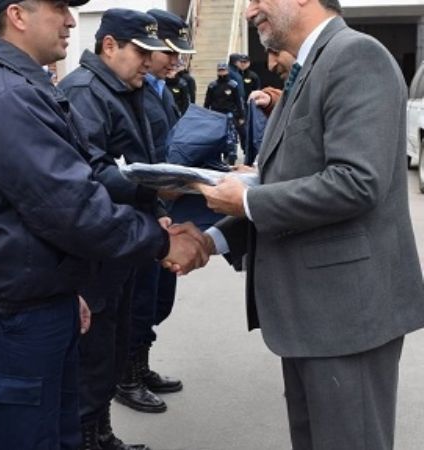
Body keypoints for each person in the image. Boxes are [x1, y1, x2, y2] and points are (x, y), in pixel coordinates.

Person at [0, 2, 210, 449]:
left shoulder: (23, 87)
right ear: (17, 14)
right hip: (19, 316)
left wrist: (70, 286)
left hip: (40, 299)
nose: (71, 21)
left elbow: (46, 210)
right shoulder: (11, 97)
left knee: (62, 433)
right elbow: (71, 208)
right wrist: (159, 242)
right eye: (58, 8)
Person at [196, 1, 424, 449]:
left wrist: (249, 198)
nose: (249, 12)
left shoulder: (356, 56)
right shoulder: (310, 67)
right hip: (314, 316)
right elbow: (296, 180)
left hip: (345, 316)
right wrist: (213, 237)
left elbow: (357, 182)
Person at [59, 9, 174, 448]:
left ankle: (101, 433)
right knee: (94, 352)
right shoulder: (87, 92)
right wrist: (160, 184)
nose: (150, 60)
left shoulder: (125, 86)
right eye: (141, 51)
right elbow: (91, 176)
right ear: (110, 46)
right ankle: (89, 438)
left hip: (125, 237)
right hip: (99, 246)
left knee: (113, 343)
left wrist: (157, 196)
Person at [115, 8, 195, 421]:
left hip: (161, 207)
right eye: (170, 53)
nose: (174, 63)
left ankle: (139, 365)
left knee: (157, 298)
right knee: (139, 300)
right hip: (143, 209)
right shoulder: (130, 89)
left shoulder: (164, 90)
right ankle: (126, 376)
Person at [204, 62, 243, 164]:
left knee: (231, 137)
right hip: (216, 115)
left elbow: (238, 101)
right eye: (220, 70)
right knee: (216, 138)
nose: (222, 72)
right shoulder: (213, 86)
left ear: (227, 70)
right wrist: (206, 115)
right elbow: (207, 102)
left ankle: (230, 156)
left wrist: (241, 116)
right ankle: (217, 158)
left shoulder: (233, 85)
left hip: (229, 114)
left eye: (223, 70)